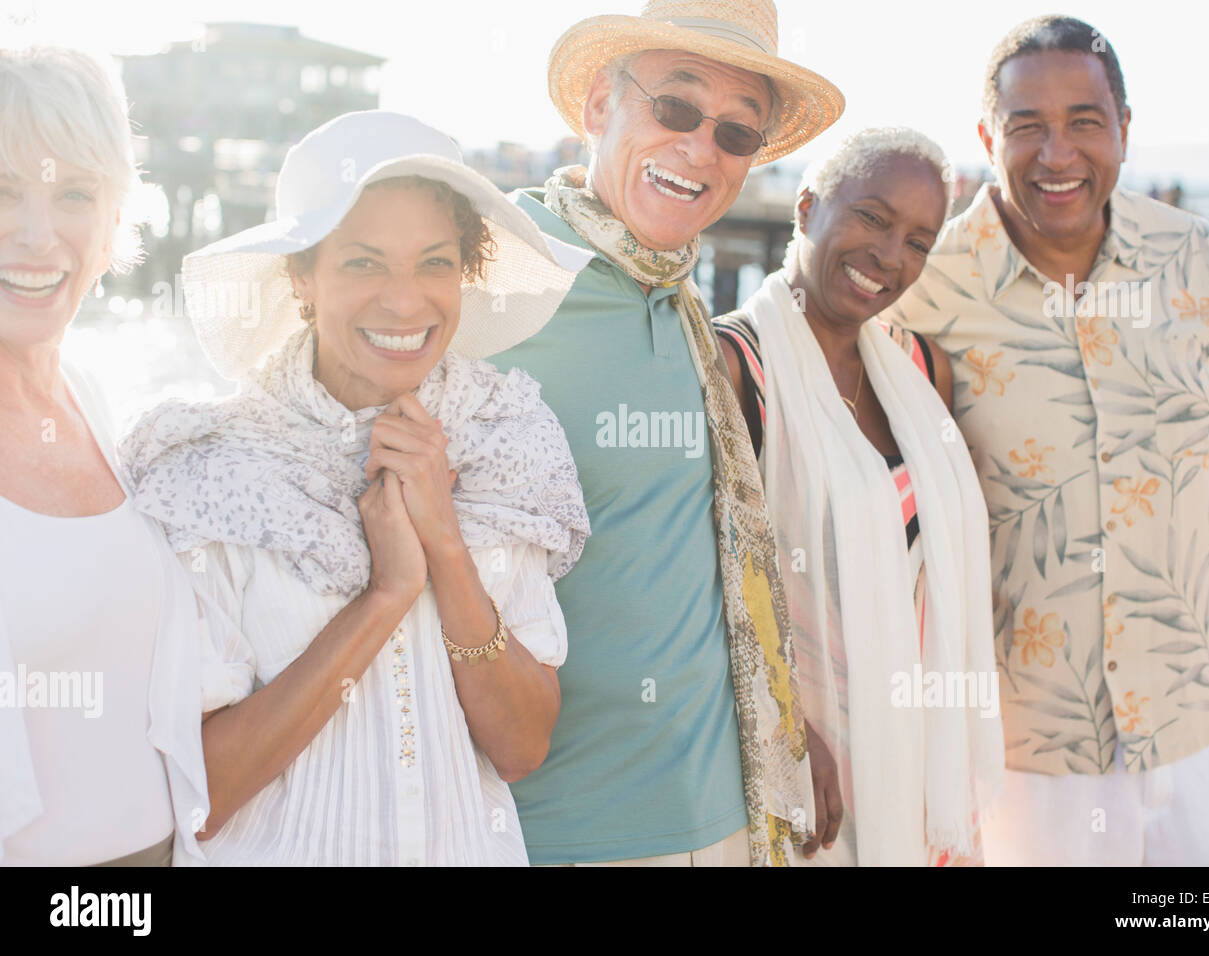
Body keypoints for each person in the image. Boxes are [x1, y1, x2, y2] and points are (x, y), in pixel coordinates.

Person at [119, 111, 592, 865]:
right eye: (365, 263)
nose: (405, 302)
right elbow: (199, 796)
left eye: (434, 262)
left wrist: (447, 547)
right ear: (301, 277)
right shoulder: (213, 473)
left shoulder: (504, 441)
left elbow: (522, 747)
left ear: (466, 271)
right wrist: (387, 594)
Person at [886, 15, 1209, 866]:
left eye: (1084, 121)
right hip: (1025, 745)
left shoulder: (1202, 262)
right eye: (1027, 125)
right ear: (985, 136)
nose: (1058, 154)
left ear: (1124, 129)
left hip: (1201, 712)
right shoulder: (928, 289)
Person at [487, 0, 845, 866]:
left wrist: (784, 714)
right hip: (554, 824)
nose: (700, 149)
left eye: (735, 133)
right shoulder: (492, 269)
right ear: (600, 107)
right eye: (675, 109)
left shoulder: (685, 309)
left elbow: (690, 555)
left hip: (720, 810)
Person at [714, 128, 1004, 866]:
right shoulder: (734, 365)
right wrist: (790, 730)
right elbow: (706, 580)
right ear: (808, 208)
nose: (890, 257)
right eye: (872, 217)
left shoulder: (917, 369)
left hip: (913, 734)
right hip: (806, 752)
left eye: (917, 240)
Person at [0, 45, 207, 866]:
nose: (36, 235)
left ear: (116, 216)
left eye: (75, 194)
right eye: (2, 190)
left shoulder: (93, 396)